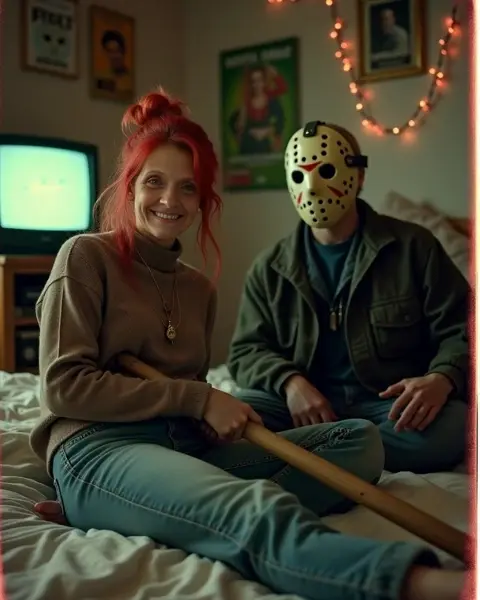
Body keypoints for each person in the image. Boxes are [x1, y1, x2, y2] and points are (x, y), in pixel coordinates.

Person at [31, 93, 465, 600]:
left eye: (188, 187)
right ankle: (425, 583)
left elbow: (191, 391)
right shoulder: (85, 255)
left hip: (180, 444)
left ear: (202, 200)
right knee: (251, 507)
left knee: (359, 444)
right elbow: (64, 387)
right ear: (129, 186)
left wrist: (204, 412)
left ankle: (159, 510)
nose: (170, 199)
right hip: (103, 445)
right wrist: (204, 398)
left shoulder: (198, 288)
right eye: (154, 182)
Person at [228, 120, 468, 475]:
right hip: (305, 410)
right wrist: (291, 383)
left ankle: (314, 456)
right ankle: (349, 453)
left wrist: (442, 378)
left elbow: (464, 327)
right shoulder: (270, 268)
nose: (312, 187)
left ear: (358, 176)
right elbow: (246, 351)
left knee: (459, 425)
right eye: (299, 176)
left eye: (326, 171)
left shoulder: (414, 248)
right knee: (237, 414)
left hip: (390, 409)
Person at [230, 63, 286, 155]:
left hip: (265, 147)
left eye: (259, 80)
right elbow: (236, 124)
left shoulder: (270, 99)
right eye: (254, 81)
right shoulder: (247, 103)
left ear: (264, 82)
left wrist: (275, 75)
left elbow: (283, 89)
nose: (257, 84)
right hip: (248, 147)